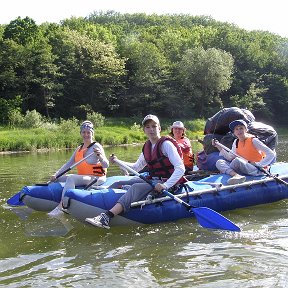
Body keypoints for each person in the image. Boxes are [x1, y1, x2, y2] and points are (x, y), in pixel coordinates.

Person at [85, 114, 185, 229]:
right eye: (148, 127)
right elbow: (137, 167)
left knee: (136, 187)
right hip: (154, 180)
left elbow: (180, 168)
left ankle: (106, 217)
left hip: (169, 183)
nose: (151, 129)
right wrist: (118, 161)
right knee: (118, 182)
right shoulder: (147, 146)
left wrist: (165, 185)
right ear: (144, 130)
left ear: (159, 128)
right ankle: (97, 197)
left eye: (154, 126)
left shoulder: (166, 145)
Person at [51, 120, 109, 199]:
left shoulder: (97, 146)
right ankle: (53, 197)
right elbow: (68, 164)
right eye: (84, 132)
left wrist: (100, 156)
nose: (86, 135)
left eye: (88, 132)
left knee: (71, 178)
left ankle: (63, 204)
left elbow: (106, 165)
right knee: (58, 179)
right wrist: (56, 175)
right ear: (80, 133)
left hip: (96, 178)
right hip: (84, 177)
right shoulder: (79, 148)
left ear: (92, 134)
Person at [212, 119, 276, 185]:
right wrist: (218, 146)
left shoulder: (254, 141)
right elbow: (230, 157)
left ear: (246, 130)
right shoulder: (236, 142)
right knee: (219, 162)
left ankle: (234, 174)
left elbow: (271, 154)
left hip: (256, 169)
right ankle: (236, 175)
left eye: (241, 128)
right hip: (243, 166)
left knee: (237, 160)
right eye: (236, 129)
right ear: (234, 132)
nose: (239, 131)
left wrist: (259, 164)